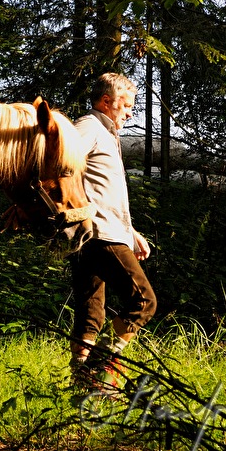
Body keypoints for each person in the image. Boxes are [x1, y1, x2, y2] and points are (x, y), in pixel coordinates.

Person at [69, 72, 157, 395]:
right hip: (99, 235)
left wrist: (130, 232)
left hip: (102, 232)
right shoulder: (89, 127)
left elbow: (104, 192)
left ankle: (80, 386)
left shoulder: (106, 133)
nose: (130, 112)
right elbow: (62, 162)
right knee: (144, 301)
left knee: (90, 314)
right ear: (106, 102)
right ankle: (99, 370)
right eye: (126, 105)